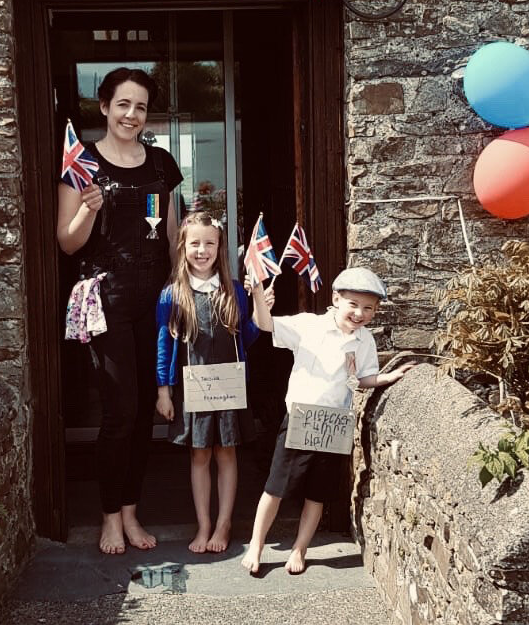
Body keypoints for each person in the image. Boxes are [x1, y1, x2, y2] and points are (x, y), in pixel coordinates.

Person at [57, 67, 183, 555]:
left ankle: (132, 513)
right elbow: (67, 243)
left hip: (153, 299)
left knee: (148, 411)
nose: (132, 114)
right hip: (107, 302)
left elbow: (169, 233)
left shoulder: (161, 165)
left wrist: (183, 291)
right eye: (123, 104)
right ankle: (109, 516)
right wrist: (88, 207)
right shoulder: (82, 165)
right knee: (119, 410)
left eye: (142, 107)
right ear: (104, 107)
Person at [241, 266, 416, 576]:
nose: (360, 313)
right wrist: (257, 293)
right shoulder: (310, 326)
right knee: (275, 487)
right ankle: (256, 544)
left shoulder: (364, 341)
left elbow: (363, 378)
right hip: (301, 418)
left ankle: (300, 548)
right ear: (336, 298)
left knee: (317, 492)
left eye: (368, 308)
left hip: (334, 423)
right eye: (353, 304)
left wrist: (387, 377)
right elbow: (265, 324)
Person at [155, 212, 262, 555]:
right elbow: (164, 344)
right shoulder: (172, 295)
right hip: (194, 389)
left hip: (228, 386)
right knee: (199, 456)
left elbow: (245, 338)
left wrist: (261, 310)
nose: (202, 250)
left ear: (220, 248)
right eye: (195, 243)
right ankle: (203, 523)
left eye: (210, 244)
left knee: (226, 454)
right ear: (183, 246)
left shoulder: (234, 293)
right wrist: (163, 389)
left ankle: (224, 523)